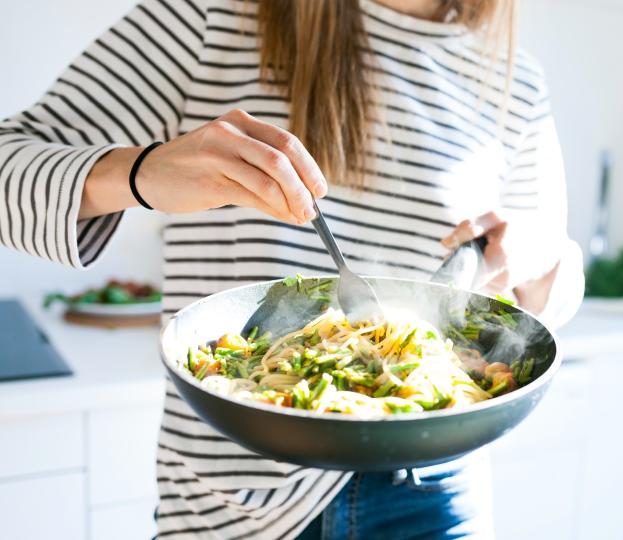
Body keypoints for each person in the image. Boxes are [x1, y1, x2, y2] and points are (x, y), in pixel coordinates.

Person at [0, 0, 583, 537]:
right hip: (235, 500)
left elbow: (540, 304)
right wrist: (140, 172)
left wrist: (547, 258)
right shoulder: (208, 18)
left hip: (434, 491)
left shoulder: (515, 81)